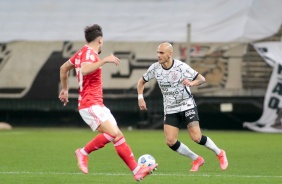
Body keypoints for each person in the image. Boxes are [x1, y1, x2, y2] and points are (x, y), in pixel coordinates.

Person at [59, 24, 157, 181]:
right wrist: (105, 60)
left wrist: (65, 90)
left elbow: (63, 69)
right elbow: (84, 70)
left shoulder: (80, 53)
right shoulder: (90, 54)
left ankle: (136, 171)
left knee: (117, 135)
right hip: (89, 104)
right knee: (112, 133)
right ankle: (82, 152)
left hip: (97, 104)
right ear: (100, 40)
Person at [137, 42, 228, 172]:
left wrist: (192, 83)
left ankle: (219, 153)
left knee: (196, 137)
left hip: (187, 105)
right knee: (170, 141)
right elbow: (141, 82)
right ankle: (197, 159)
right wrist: (140, 98)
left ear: (170, 54)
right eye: (158, 52)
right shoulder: (155, 68)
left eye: (161, 53)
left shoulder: (181, 67)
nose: (158, 55)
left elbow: (202, 79)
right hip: (170, 109)